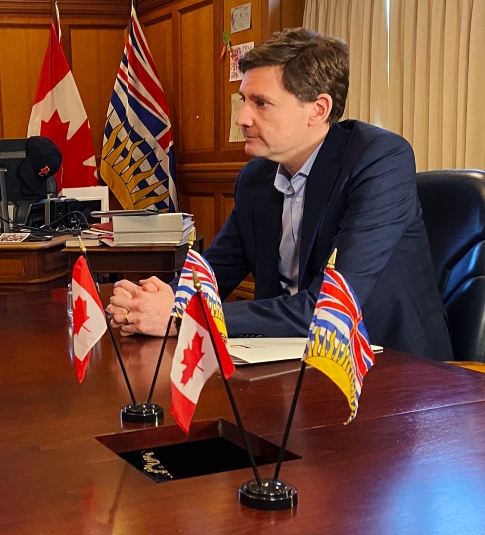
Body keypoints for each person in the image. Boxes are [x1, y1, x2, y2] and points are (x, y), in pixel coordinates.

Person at [107, 28, 452, 361]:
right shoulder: (256, 176)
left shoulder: (379, 160)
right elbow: (214, 271)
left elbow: (330, 307)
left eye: (261, 103)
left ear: (318, 109)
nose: (242, 117)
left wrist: (183, 314)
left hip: (390, 371)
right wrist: (151, 300)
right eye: (244, 100)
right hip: (287, 361)